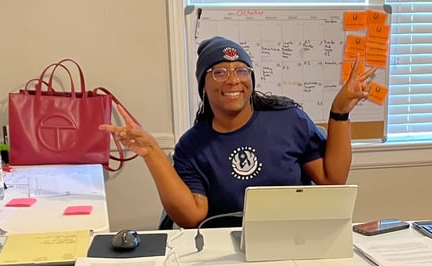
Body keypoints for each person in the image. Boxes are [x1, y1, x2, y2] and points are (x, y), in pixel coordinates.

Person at [100, 36, 376, 228]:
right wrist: (151, 152)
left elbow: (332, 179)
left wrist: (340, 111)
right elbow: (191, 217)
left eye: (242, 71)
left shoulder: (288, 120)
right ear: (203, 86)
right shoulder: (192, 146)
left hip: (293, 240)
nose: (233, 80)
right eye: (219, 72)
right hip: (225, 253)